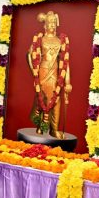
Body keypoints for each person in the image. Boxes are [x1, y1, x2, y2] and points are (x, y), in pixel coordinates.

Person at [27, 11, 72, 139]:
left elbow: (66, 62)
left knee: (56, 100)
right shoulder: (40, 39)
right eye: (49, 22)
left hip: (55, 74)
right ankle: (40, 126)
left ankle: (54, 129)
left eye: (53, 23)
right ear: (44, 25)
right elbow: (29, 55)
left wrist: (68, 82)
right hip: (42, 72)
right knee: (42, 98)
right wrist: (34, 72)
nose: (52, 25)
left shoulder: (60, 41)